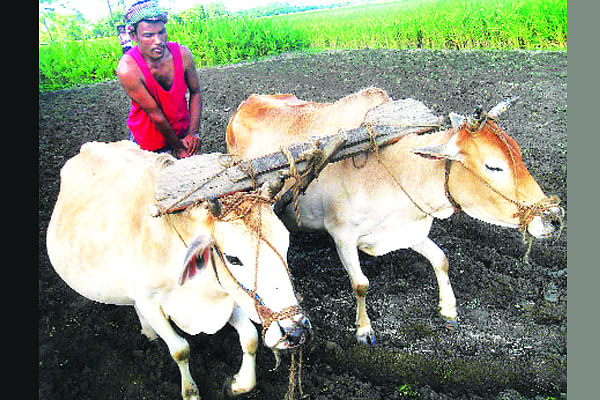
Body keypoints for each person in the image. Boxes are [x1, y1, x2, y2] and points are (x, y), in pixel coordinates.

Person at [117, 0, 202, 159]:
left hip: (182, 131)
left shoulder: (183, 55)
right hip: (148, 143)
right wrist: (178, 148)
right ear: (134, 36)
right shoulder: (128, 69)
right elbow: (155, 114)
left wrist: (192, 133)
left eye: (161, 32)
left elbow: (196, 92)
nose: (158, 41)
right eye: (149, 35)